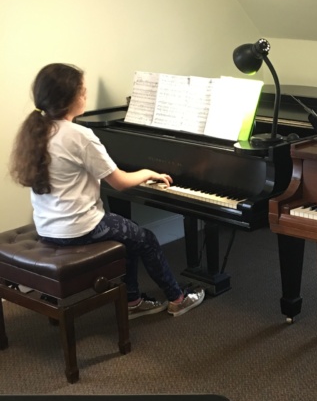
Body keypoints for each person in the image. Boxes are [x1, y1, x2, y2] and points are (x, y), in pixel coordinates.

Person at [9, 63, 204, 319]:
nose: (86, 96)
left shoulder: (36, 131)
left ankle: (132, 301)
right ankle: (177, 299)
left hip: (47, 227)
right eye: (83, 92)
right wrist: (147, 172)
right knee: (146, 238)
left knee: (130, 235)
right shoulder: (79, 135)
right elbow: (121, 182)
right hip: (79, 227)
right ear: (69, 99)